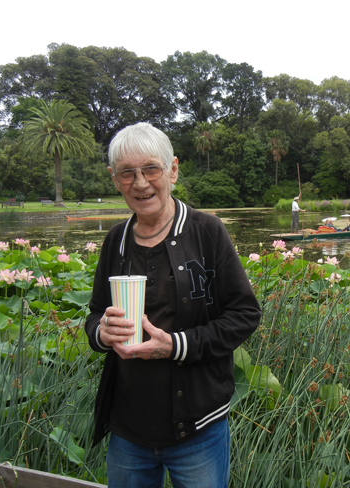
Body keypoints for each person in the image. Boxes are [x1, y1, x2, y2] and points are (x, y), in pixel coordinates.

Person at [85, 122, 261, 488]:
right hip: (127, 429)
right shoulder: (115, 241)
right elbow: (95, 314)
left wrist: (175, 346)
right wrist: (102, 332)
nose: (140, 182)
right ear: (114, 179)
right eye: (127, 173)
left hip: (198, 428)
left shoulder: (207, 232)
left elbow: (244, 315)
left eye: (151, 168)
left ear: (173, 170)